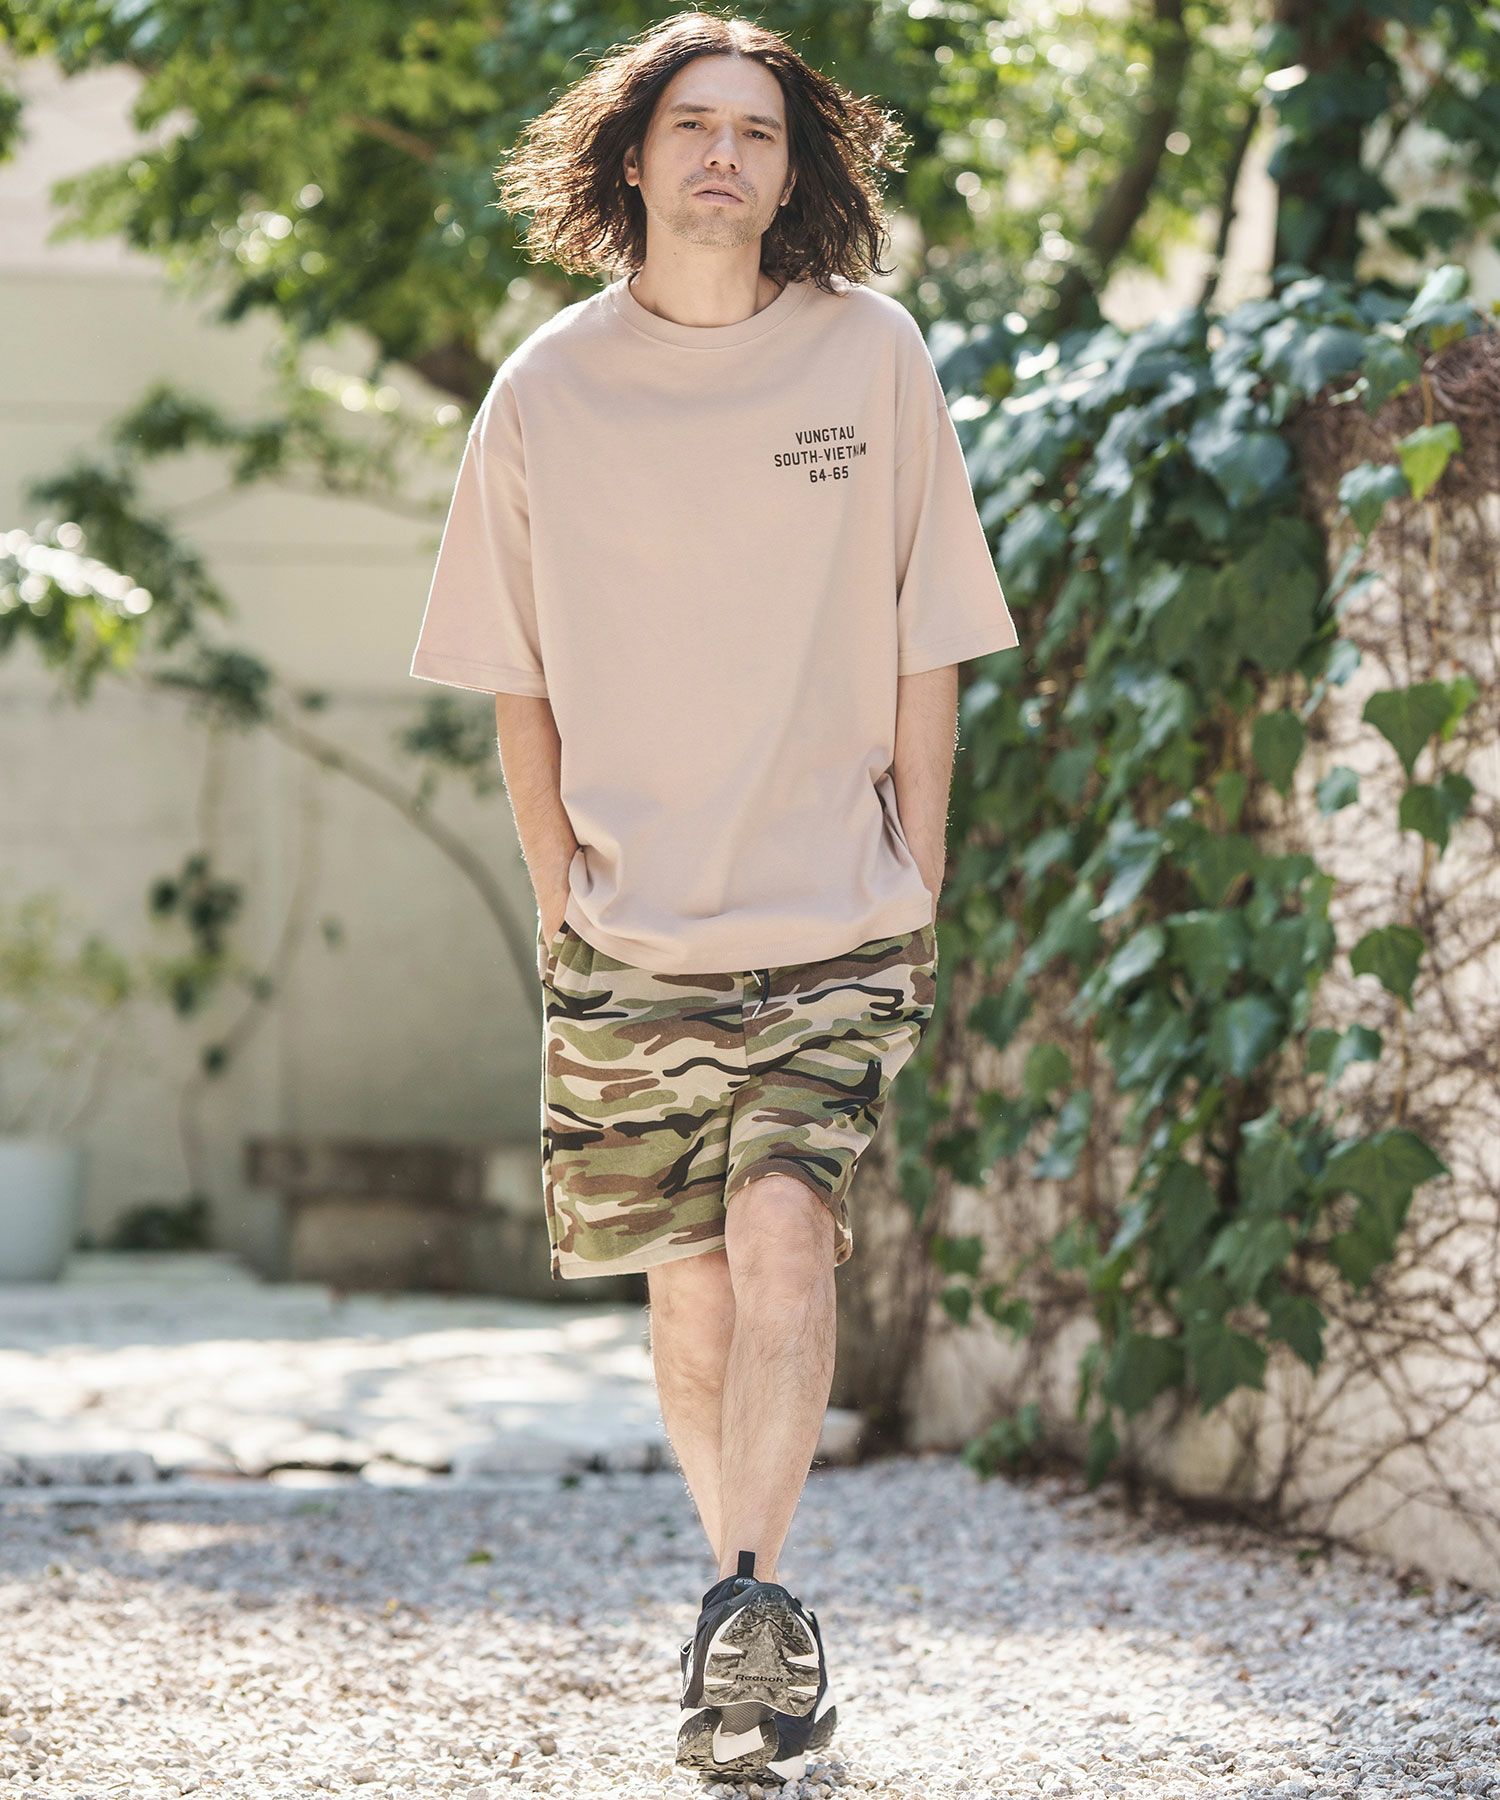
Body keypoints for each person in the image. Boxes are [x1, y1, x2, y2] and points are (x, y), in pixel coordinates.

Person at [409, 9, 1019, 1784]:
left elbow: (928, 630)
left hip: (834, 919)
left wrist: (919, 864)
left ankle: (754, 1592)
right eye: (694, 124)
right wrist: (561, 893)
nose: (725, 154)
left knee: (783, 1234)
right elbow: (513, 680)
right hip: (633, 934)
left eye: (758, 129)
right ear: (633, 156)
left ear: (793, 167)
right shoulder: (545, 392)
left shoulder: (872, 355)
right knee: (686, 1293)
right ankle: (741, 1621)